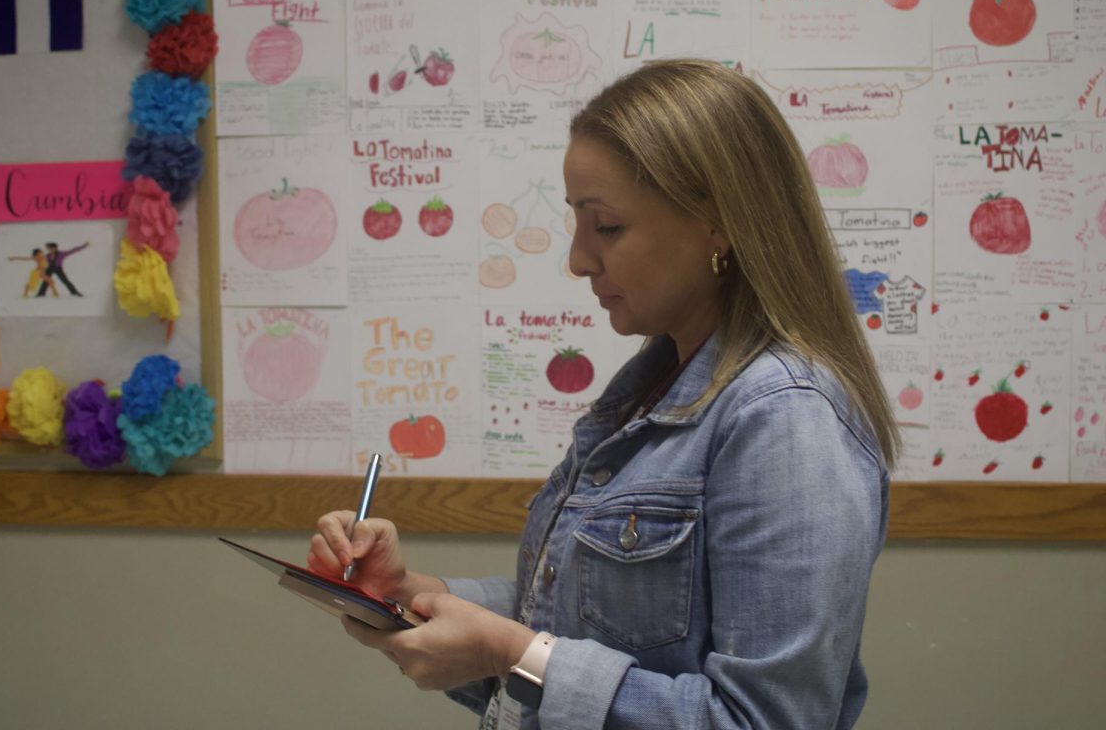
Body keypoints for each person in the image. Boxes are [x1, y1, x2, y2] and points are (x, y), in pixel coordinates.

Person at [309, 59, 899, 730]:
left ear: (718, 224)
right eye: (577, 223)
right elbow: (592, 620)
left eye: (608, 227)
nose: (579, 260)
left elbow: (769, 720)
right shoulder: (648, 391)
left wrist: (512, 656)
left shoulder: (786, 419)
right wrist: (411, 596)